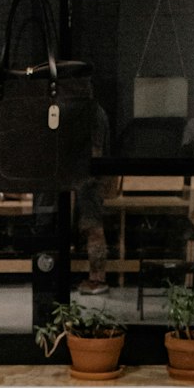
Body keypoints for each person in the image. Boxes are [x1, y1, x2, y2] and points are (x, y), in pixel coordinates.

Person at [75, 103, 112, 294]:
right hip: (83, 178)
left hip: (91, 179)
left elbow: (96, 149)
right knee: (90, 228)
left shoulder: (94, 112)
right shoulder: (89, 111)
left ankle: (98, 278)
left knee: (93, 228)